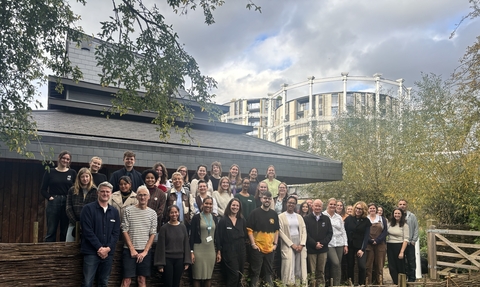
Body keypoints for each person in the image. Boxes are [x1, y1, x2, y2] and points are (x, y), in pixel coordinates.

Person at [80, 181, 120, 287]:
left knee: (103, 282)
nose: (105, 194)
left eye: (107, 192)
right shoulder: (88, 209)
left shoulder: (114, 212)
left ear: (111, 193)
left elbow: (116, 233)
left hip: (108, 253)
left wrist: (108, 248)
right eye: (102, 191)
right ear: (98, 193)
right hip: (91, 252)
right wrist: (99, 248)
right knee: (87, 282)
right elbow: (87, 231)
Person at [120, 186, 157, 287]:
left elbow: (153, 233)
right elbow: (124, 230)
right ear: (136, 196)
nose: (142, 197)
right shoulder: (128, 210)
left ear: (149, 196)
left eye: (145, 195)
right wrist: (131, 249)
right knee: (126, 280)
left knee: (141, 279)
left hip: (144, 251)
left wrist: (145, 251)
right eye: (140, 195)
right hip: (129, 250)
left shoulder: (153, 213)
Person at [40, 150, 77, 242]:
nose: (65, 160)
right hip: (54, 201)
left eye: (68, 159)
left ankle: (62, 253)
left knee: (64, 229)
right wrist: (50, 197)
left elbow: (76, 188)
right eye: (63, 158)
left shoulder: (72, 172)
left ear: (69, 161)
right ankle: (48, 253)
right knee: (51, 229)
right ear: (59, 159)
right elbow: (43, 190)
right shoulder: (50, 172)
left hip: (67, 201)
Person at [247, 190, 280, 287]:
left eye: (269, 199)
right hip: (257, 248)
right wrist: (253, 244)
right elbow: (249, 230)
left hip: (270, 249)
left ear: (271, 201)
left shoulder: (274, 214)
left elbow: (277, 231)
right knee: (255, 273)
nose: (267, 200)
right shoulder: (254, 213)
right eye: (265, 198)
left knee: (268, 273)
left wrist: (275, 245)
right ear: (261, 199)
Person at [155, 205, 192, 287]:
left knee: (176, 283)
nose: (174, 214)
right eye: (172, 212)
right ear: (168, 214)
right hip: (168, 259)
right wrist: (160, 264)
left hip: (179, 259)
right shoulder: (164, 228)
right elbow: (160, 247)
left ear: (179, 213)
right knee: (168, 283)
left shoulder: (183, 227)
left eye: (176, 212)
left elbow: (186, 244)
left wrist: (187, 261)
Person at [216, 198, 247, 287]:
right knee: (234, 275)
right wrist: (219, 251)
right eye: (233, 205)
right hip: (228, 250)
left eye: (237, 205)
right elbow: (219, 237)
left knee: (240, 275)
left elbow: (245, 235)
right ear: (229, 206)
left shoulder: (242, 220)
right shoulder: (223, 220)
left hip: (241, 250)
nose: (235, 207)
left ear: (239, 207)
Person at [190, 196, 220, 287]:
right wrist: (191, 252)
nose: (208, 205)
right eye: (206, 203)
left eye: (210, 204)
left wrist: (218, 251)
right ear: (202, 204)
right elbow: (192, 236)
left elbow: (217, 236)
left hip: (210, 250)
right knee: (197, 276)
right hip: (198, 249)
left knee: (208, 276)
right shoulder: (196, 218)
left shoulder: (215, 218)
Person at [278, 196, 308, 286]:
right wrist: (291, 244)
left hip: (299, 242)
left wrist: (302, 244)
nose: (291, 204)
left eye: (293, 203)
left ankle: (299, 284)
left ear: (295, 205)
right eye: (289, 202)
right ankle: (289, 284)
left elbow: (304, 230)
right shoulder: (281, 216)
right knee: (289, 265)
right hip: (288, 243)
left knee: (299, 266)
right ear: (286, 203)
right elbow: (281, 232)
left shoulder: (299, 217)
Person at [304, 199, 333, 287]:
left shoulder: (326, 219)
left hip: (323, 249)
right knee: (312, 272)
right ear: (312, 206)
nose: (317, 207)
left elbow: (330, 233)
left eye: (319, 206)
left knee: (321, 271)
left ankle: (321, 285)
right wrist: (314, 244)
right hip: (311, 249)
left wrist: (322, 243)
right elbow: (305, 233)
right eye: (316, 205)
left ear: (322, 207)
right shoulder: (307, 218)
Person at [66, 167, 97, 242]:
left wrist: (86, 222)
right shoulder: (72, 190)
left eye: (87, 176)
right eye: (82, 176)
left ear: (90, 177)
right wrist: (76, 222)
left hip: (89, 224)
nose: (85, 178)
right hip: (73, 223)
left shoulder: (95, 191)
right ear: (79, 178)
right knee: (69, 243)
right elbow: (68, 207)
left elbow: (96, 208)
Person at [344, 201, 372, 286]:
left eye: (360, 209)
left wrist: (362, 249)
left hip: (360, 246)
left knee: (362, 266)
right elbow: (344, 232)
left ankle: (361, 283)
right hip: (350, 245)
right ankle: (350, 282)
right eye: (357, 208)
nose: (358, 210)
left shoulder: (366, 221)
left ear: (364, 210)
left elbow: (366, 236)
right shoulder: (349, 219)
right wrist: (345, 245)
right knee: (350, 264)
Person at [323, 198, 348, 286]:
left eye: (335, 204)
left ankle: (335, 284)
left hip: (340, 243)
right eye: (331, 204)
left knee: (337, 265)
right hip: (329, 243)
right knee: (335, 263)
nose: (333, 206)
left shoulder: (338, 217)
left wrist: (345, 244)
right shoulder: (323, 215)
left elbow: (343, 231)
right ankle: (332, 283)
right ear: (327, 205)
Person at [365, 203, 388, 285]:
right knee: (368, 265)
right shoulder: (365, 219)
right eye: (370, 208)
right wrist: (371, 241)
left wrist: (377, 240)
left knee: (379, 265)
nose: (372, 210)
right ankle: (368, 283)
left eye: (373, 208)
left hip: (380, 244)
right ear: (368, 210)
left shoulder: (382, 219)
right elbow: (363, 232)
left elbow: (385, 231)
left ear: (376, 210)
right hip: (368, 244)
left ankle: (379, 283)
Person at [387, 208, 409, 285]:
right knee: (392, 266)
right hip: (390, 245)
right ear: (393, 214)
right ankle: (395, 282)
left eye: (398, 213)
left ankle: (402, 282)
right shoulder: (389, 224)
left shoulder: (405, 225)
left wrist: (402, 251)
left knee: (400, 265)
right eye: (395, 213)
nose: (397, 215)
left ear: (401, 215)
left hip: (399, 246)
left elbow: (406, 239)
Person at [398, 199, 419, 282]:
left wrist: (414, 240)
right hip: (399, 242)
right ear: (398, 205)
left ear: (406, 206)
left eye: (404, 204)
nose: (402, 206)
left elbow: (416, 228)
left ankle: (412, 279)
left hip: (409, 242)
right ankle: (403, 279)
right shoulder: (396, 215)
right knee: (401, 261)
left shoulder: (412, 216)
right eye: (400, 204)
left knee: (411, 261)